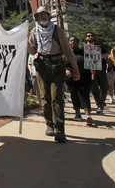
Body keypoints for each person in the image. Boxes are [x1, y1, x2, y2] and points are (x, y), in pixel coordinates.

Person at [28, 7, 79, 143]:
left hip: (57, 65)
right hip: (41, 66)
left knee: (57, 97)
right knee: (44, 97)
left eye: (45, 14)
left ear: (48, 16)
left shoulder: (57, 30)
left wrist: (75, 68)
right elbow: (32, 51)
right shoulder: (34, 32)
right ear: (37, 17)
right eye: (40, 15)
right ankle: (49, 124)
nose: (43, 16)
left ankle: (60, 130)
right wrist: (23, 41)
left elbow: (68, 50)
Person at [65, 36, 93, 126]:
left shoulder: (84, 52)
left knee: (84, 94)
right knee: (74, 95)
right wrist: (66, 70)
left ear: (78, 42)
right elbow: (61, 63)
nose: (73, 42)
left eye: (75, 40)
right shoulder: (65, 53)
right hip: (71, 77)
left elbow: (92, 61)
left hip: (84, 76)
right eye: (71, 40)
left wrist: (93, 68)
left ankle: (88, 114)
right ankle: (77, 113)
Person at [86, 32, 113, 114]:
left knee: (104, 87)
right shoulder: (84, 48)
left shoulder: (99, 47)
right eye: (88, 36)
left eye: (92, 36)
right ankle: (99, 105)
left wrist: (110, 66)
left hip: (101, 69)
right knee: (94, 88)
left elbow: (105, 57)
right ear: (86, 37)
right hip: (90, 71)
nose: (90, 37)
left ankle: (101, 101)